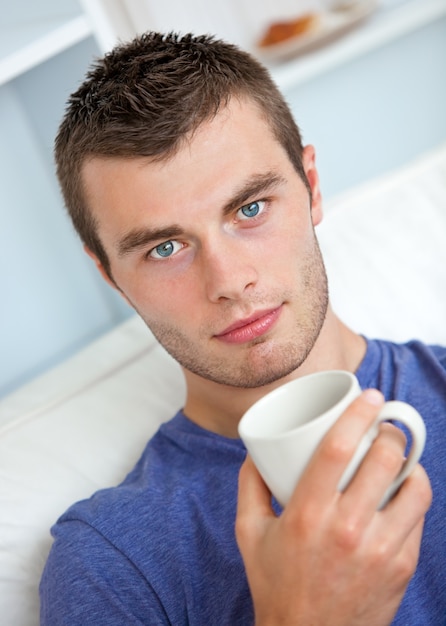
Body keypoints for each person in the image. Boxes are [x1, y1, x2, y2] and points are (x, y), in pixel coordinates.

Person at [39, 32, 445, 625]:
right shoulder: (111, 566)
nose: (229, 280)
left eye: (249, 209)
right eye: (166, 247)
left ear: (310, 186)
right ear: (109, 274)